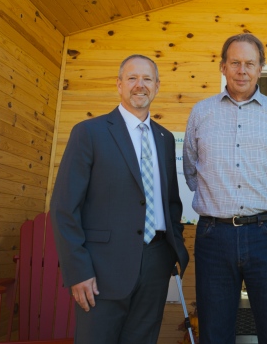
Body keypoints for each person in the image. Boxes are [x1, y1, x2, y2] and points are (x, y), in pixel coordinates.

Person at [51, 55, 189, 343]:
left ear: (157, 86)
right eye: (132, 78)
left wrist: (170, 253)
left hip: (155, 265)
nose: (140, 85)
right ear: (119, 85)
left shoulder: (164, 139)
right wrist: (78, 271)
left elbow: (171, 203)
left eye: (147, 79)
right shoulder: (89, 133)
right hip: (101, 270)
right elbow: (65, 208)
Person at [183, 33, 267, 344]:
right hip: (214, 237)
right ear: (223, 67)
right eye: (235, 63)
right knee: (214, 333)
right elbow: (190, 169)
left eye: (249, 64)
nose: (242, 70)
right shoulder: (201, 113)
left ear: (260, 68)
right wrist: (215, 197)